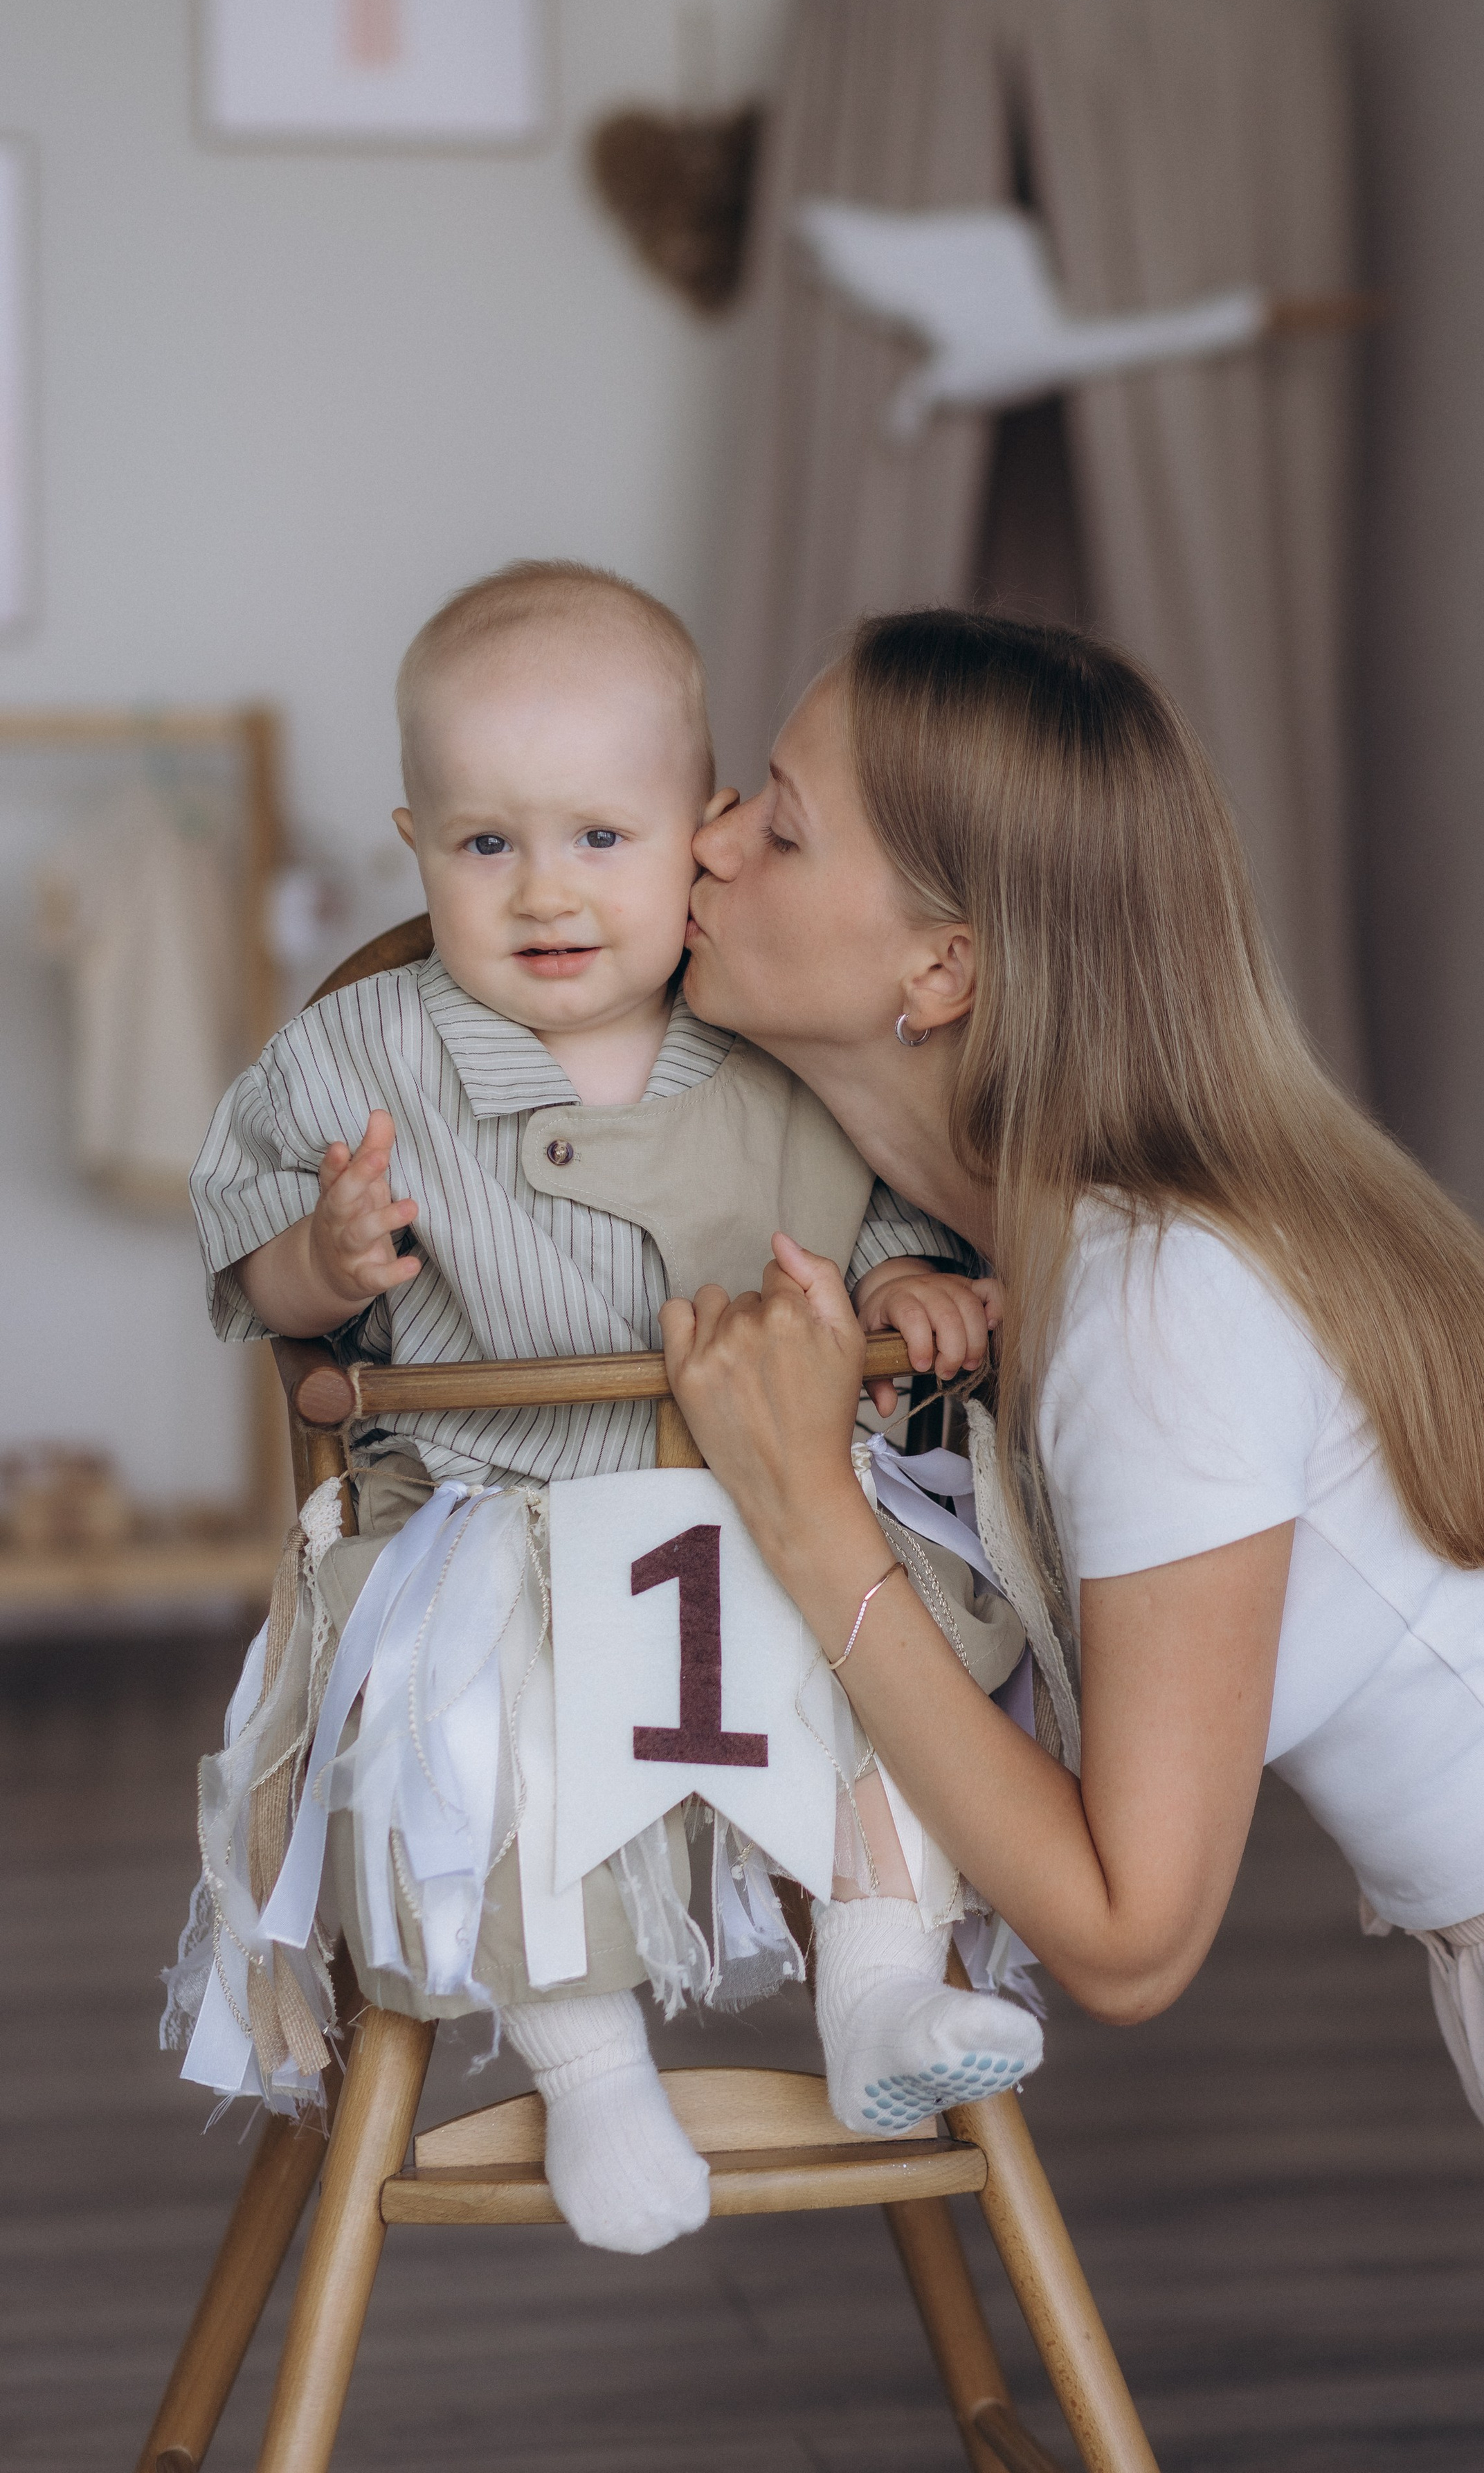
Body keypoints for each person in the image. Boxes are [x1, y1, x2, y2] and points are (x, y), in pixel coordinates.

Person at [660, 606, 1484, 2473]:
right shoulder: (1090, 1260)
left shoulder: (1156, 1307)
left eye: (775, 824)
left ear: (942, 965)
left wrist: (805, 1514)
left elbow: (1129, 1936)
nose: (704, 839)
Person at [177, 563, 1044, 2256]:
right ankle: (587, 2071)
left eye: (599, 835)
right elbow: (245, 1269)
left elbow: (878, 1210)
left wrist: (899, 1291)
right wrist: (318, 1258)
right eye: (483, 844)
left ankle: (880, 1988)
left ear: (701, 828)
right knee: (473, 1727)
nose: (544, 890)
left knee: (889, 1652)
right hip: (496, 1512)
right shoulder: (363, 1056)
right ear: (415, 842)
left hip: (770, 1498)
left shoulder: (767, 1034)